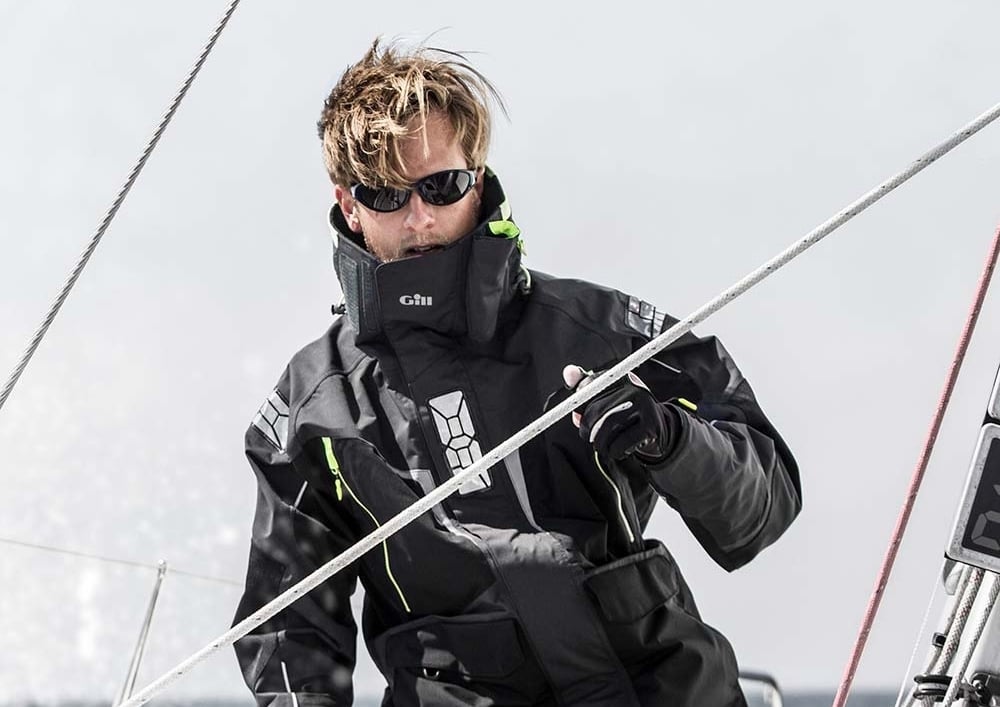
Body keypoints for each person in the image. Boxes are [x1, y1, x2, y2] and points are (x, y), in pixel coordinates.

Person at [233, 39, 802, 707]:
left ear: (476, 180)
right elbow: (289, 631)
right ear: (349, 204)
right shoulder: (311, 410)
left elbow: (764, 507)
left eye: (441, 186)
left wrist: (670, 439)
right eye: (386, 194)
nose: (420, 217)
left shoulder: (597, 329)